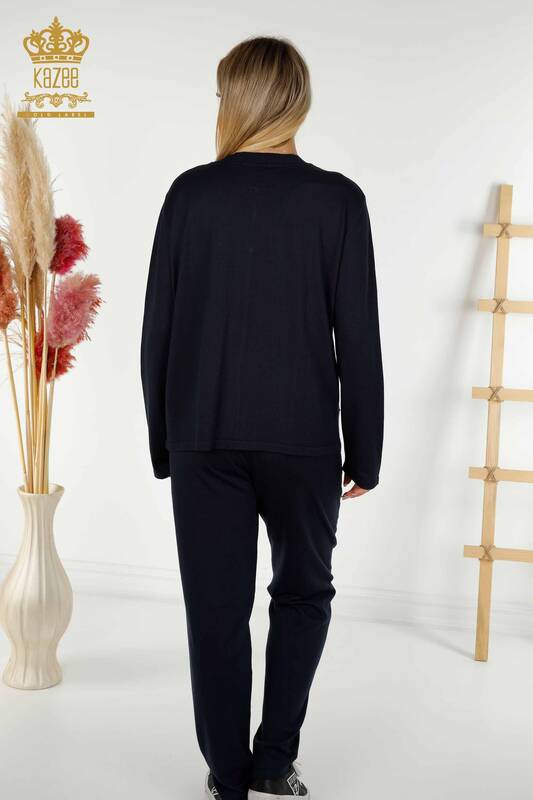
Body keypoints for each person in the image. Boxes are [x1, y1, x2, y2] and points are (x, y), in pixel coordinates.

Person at [141, 35, 383, 800]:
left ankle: (228, 775)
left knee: (215, 611)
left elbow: (158, 332)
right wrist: (364, 451)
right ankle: (273, 762)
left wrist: (164, 442)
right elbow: (358, 337)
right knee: (303, 595)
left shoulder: (190, 195)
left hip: (203, 435)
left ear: (237, 102)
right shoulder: (337, 201)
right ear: (296, 102)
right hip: (303, 440)